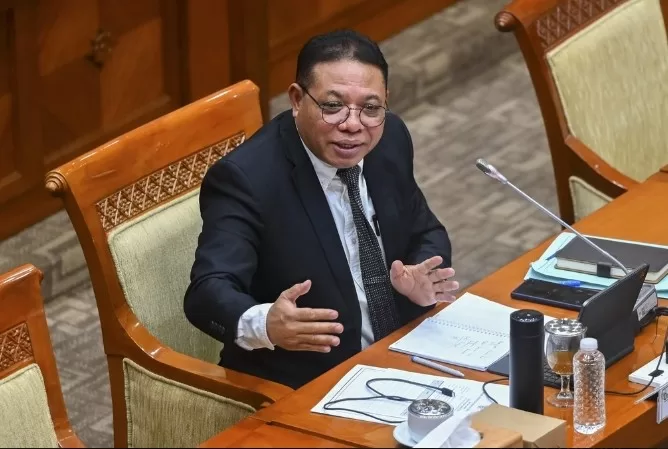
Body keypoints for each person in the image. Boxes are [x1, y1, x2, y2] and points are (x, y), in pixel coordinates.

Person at [184, 29, 458, 389]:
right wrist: (266, 324)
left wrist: (420, 277)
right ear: (297, 99)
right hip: (308, 383)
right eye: (332, 106)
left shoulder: (389, 138)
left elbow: (426, 231)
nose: (353, 125)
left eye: (370, 108)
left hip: (405, 350)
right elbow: (207, 292)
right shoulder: (247, 179)